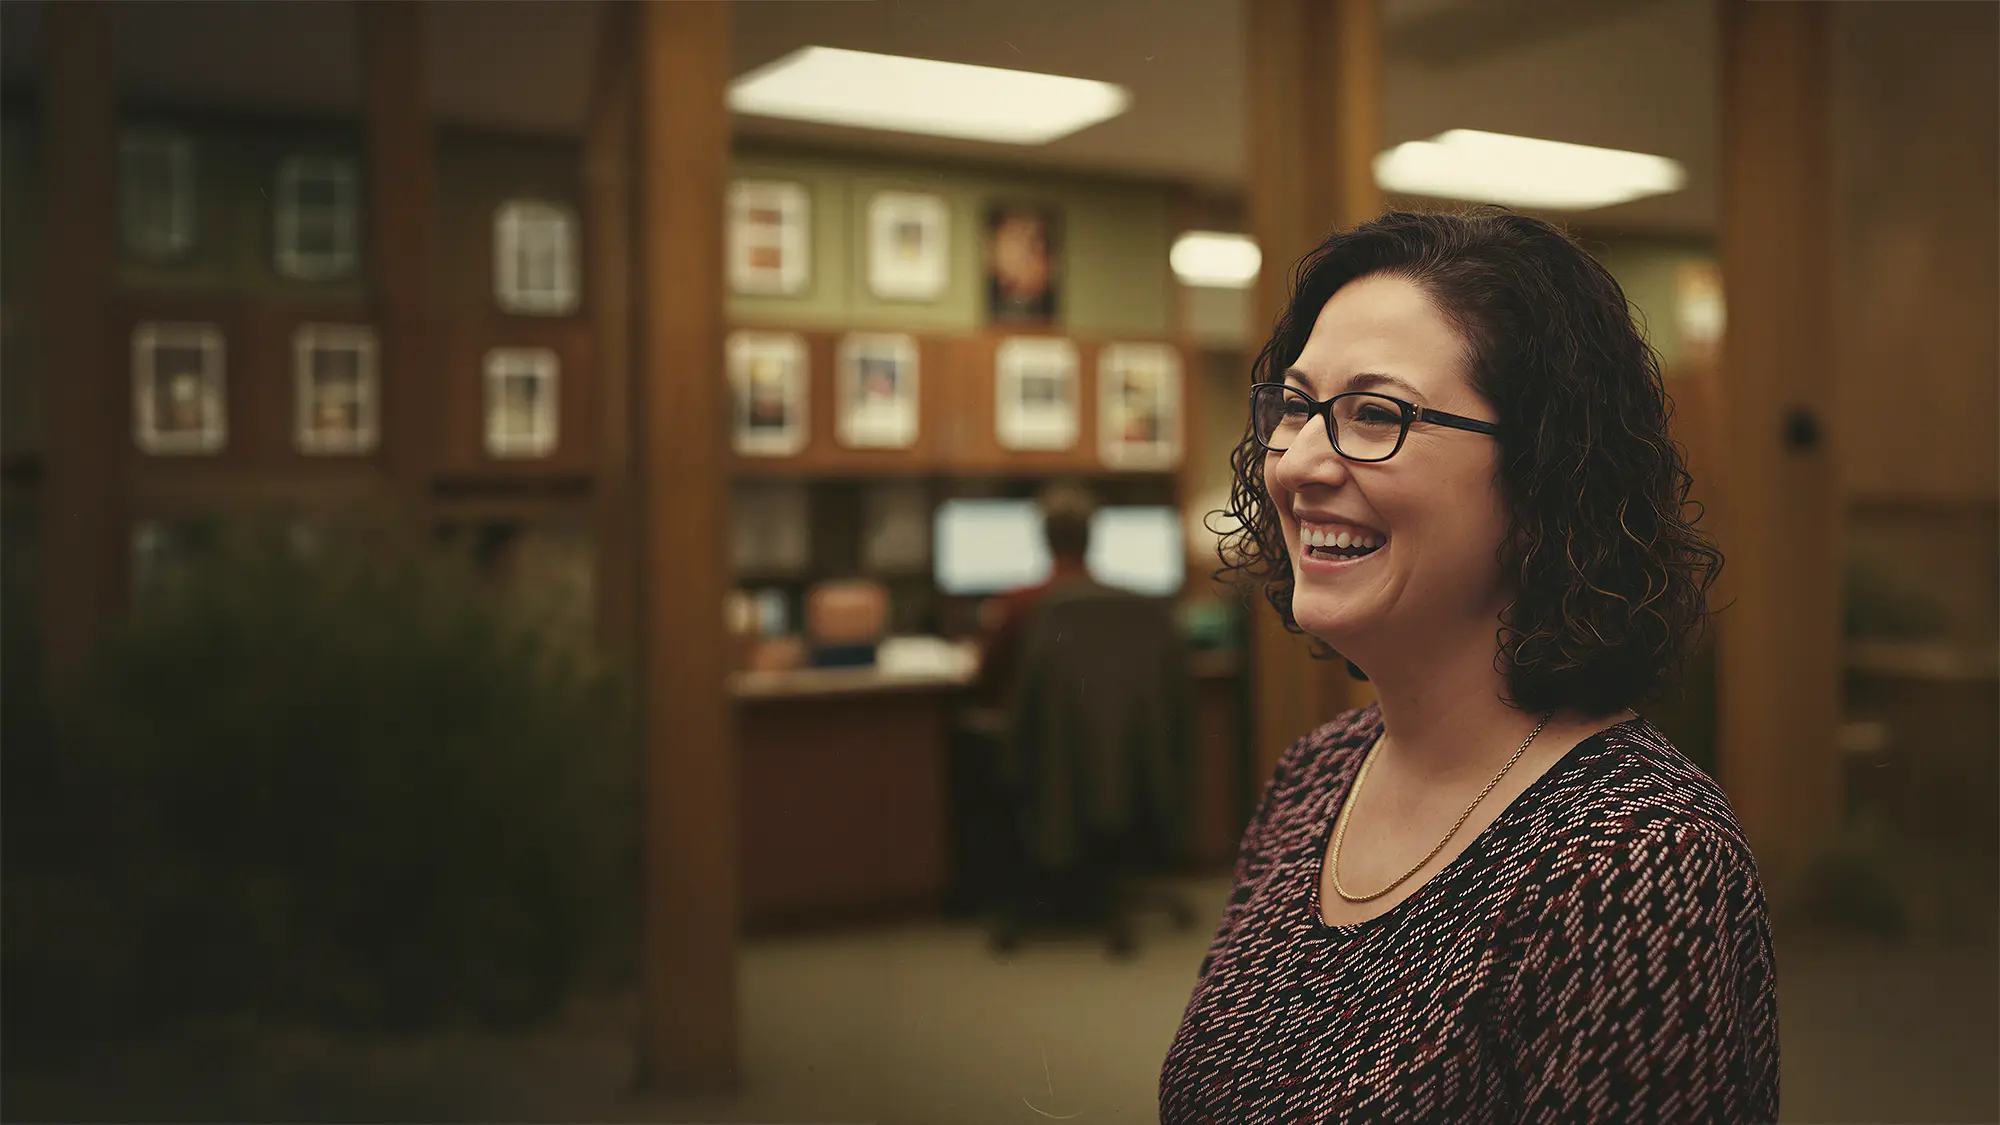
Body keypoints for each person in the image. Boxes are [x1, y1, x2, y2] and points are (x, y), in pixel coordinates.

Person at [1159, 209, 1777, 1124]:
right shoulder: (1315, 773)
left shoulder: (1635, 857)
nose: (1298, 464)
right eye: (1295, 407)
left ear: (1542, 475)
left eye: (1376, 414)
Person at [969, 481, 1100, 708]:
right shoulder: (1128, 608)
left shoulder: (1017, 604)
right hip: (1106, 732)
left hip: (1031, 733)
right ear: (1090, 537)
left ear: (1045, 539)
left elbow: (987, 675)